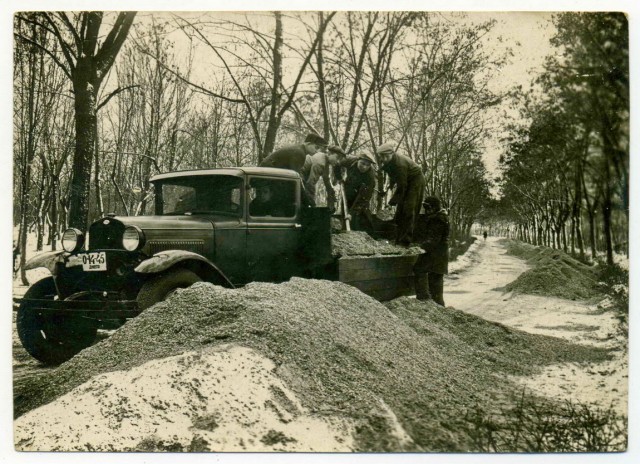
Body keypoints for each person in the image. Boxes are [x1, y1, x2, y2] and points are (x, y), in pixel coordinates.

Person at [376, 142, 425, 246]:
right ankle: (398, 238)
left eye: (386, 156)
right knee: (400, 211)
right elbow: (394, 176)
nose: (384, 159)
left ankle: (405, 241)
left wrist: (391, 203)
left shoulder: (400, 165)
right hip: (406, 181)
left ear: (392, 154)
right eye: (382, 156)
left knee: (408, 209)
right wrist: (388, 188)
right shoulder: (389, 162)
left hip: (415, 180)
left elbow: (402, 186)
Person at [413, 196, 450, 305]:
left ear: (434, 208)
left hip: (436, 255)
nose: (426, 211)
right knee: (435, 281)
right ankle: (434, 304)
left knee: (420, 269)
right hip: (438, 255)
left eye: (428, 208)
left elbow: (433, 239)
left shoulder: (439, 219)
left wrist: (419, 247)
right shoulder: (439, 217)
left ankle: (424, 299)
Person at [335, 151, 377, 232]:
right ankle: (345, 232)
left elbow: (364, 198)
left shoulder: (370, 177)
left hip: (361, 193)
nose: (364, 167)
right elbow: (337, 163)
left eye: (368, 165)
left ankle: (359, 234)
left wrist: (352, 213)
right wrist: (339, 178)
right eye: (362, 163)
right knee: (345, 210)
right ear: (358, 160)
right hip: (349, 186)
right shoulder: (349, 160)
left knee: (357, 215)